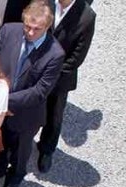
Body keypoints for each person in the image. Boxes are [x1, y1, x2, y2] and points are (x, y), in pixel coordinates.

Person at [0, 0, 64, 187]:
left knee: (21, 151)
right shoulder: (8, 31)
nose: (30, 33)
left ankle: (15, 178)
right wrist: (0, 101)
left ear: (47, 27)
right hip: (0, 107)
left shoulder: (55, 54)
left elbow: (40, 91)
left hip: (26, 115)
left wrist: (6, 102)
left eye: (36, 29)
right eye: (27, 27)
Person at [36, 0, 95, 173]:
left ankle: (46, 150)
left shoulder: (87, 16)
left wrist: (51, 73)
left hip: (59, 77)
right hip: (34, 70)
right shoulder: (43, 2)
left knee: (54, 116)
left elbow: (78, 55)